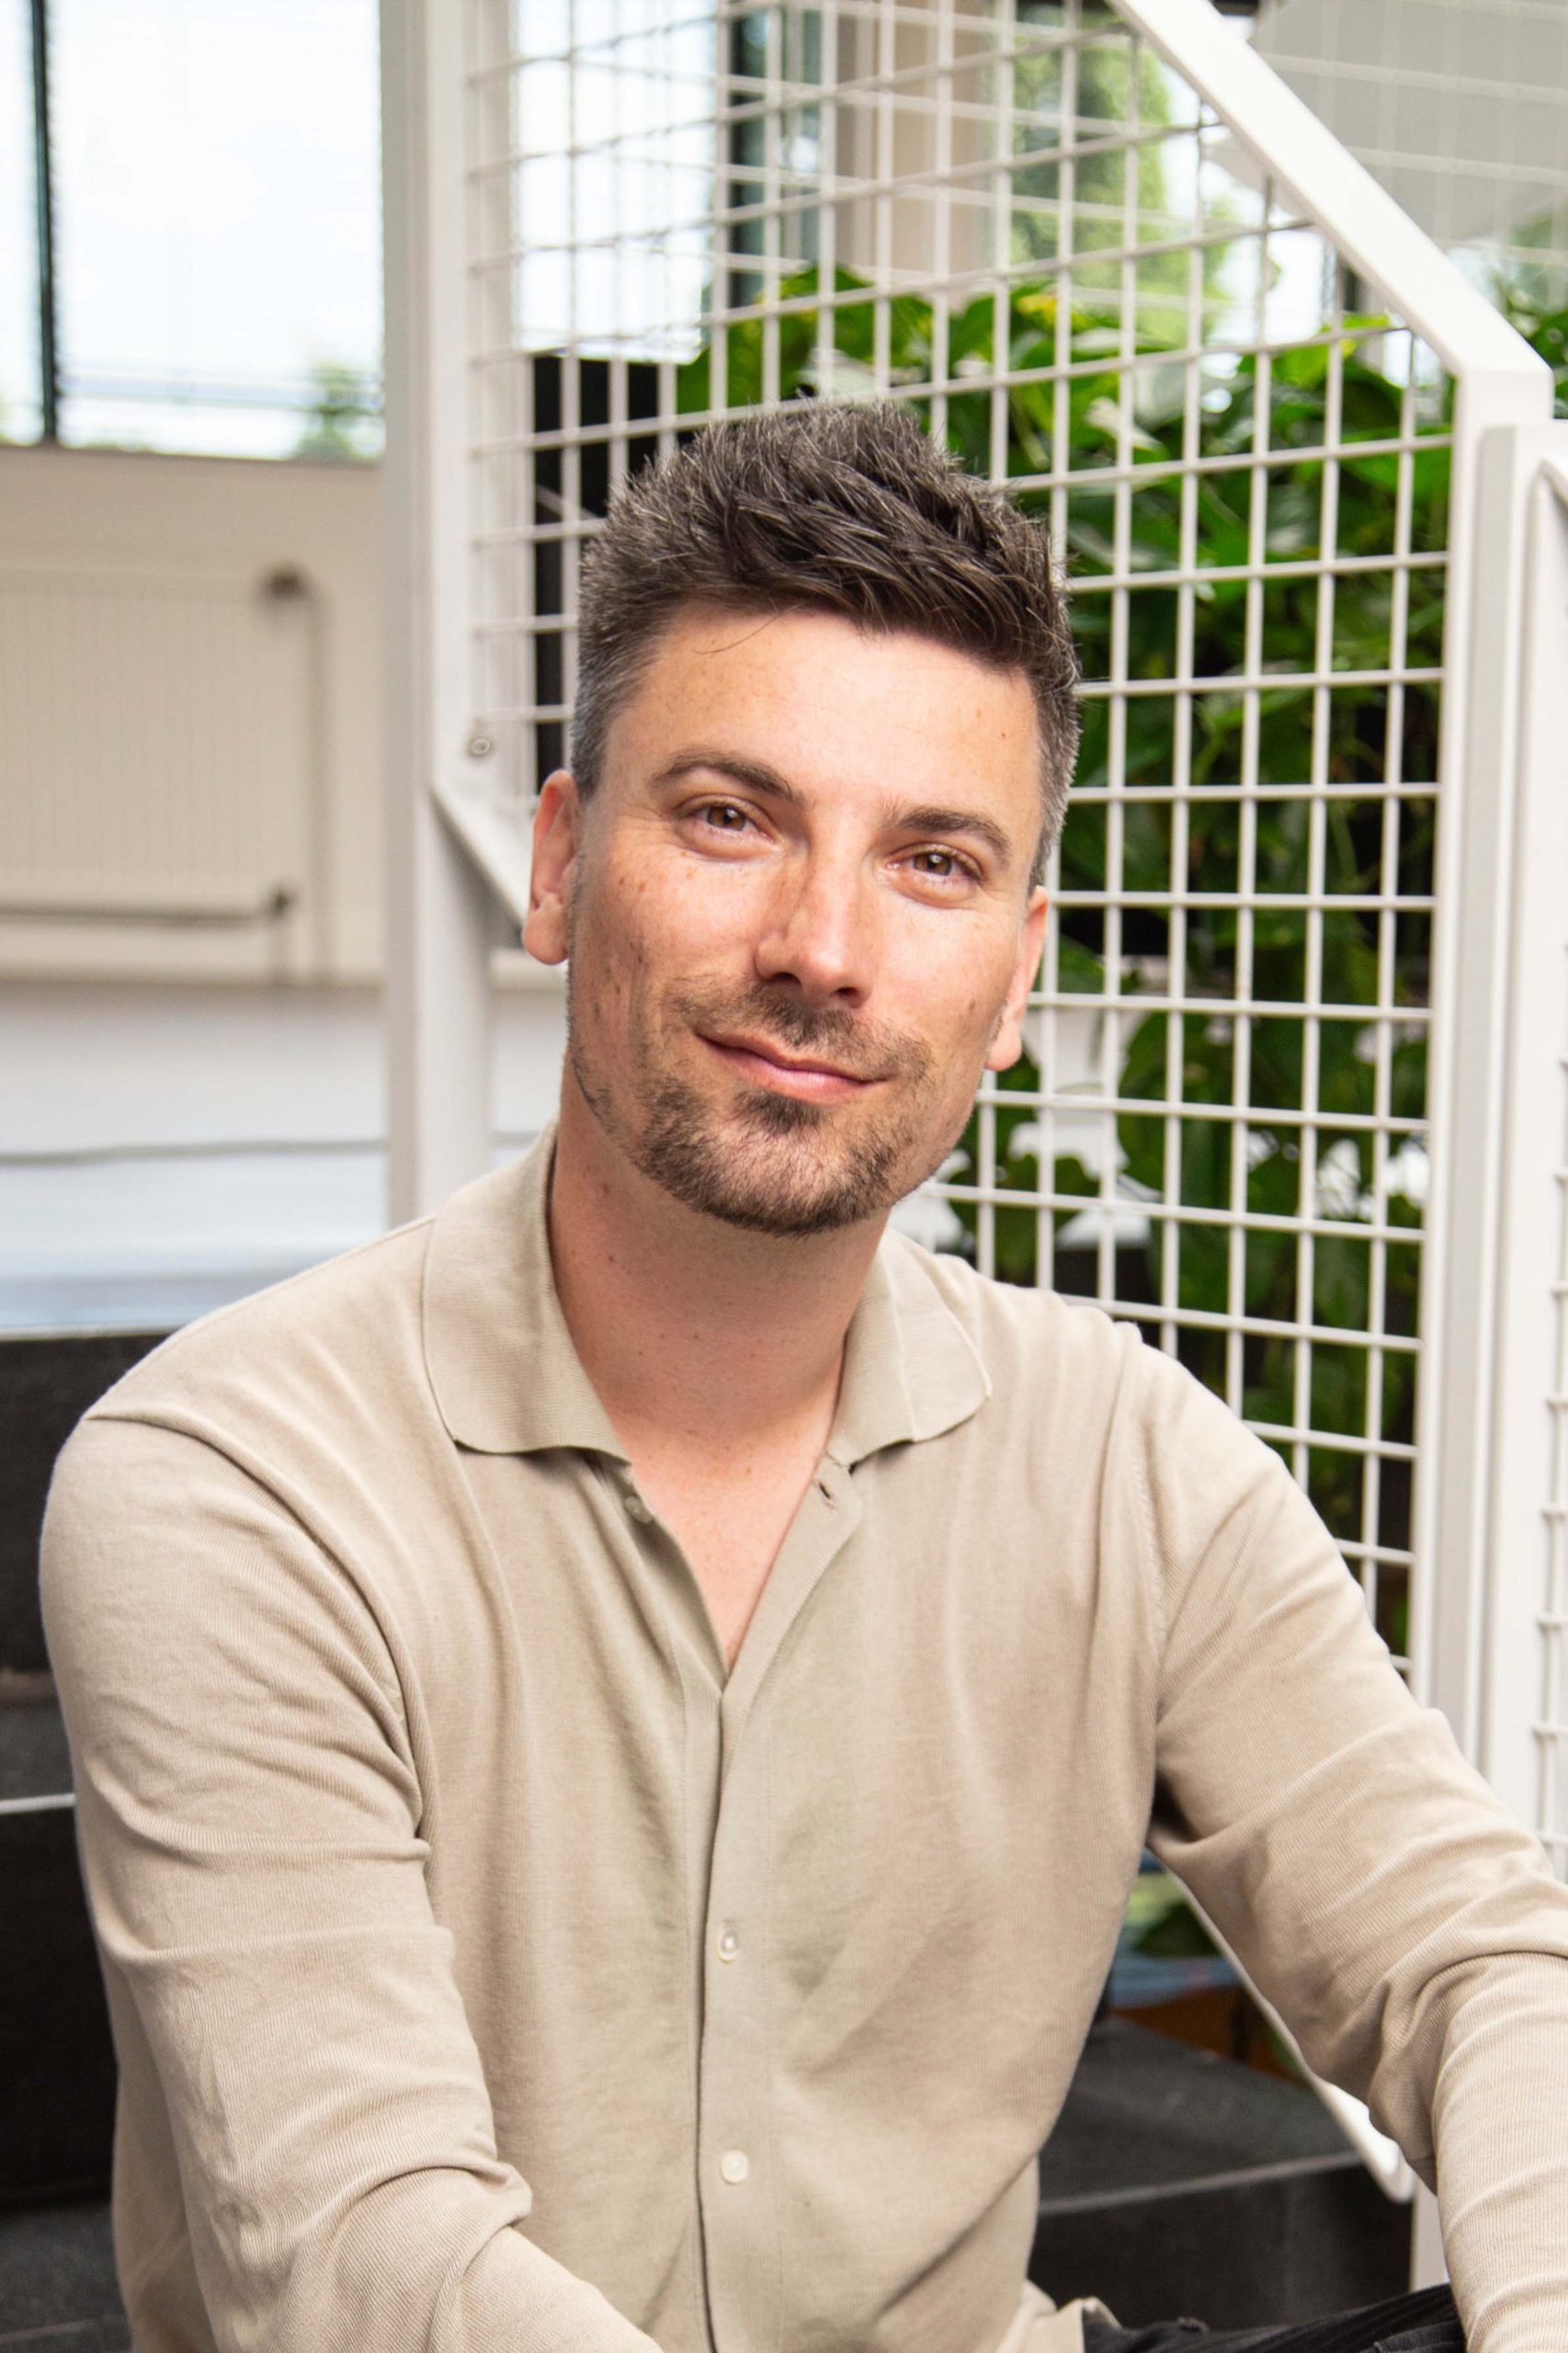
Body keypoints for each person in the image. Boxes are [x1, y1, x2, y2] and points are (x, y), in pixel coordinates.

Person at [41, 404, 1568, 2353]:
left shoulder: (1128, 1457)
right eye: (729, 817)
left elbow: (1478, 1960)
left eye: (932, 861)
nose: (824, 949)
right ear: (560, 863)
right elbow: (367, 2257)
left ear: (1014, 974)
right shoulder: (230, 1480)